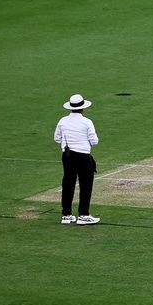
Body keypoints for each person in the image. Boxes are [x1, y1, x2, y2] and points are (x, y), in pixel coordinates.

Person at [53, 94, 100, 225]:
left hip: (67, 157)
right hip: (83, 156)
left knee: (68, 183)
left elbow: (57, 138)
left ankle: (66, 214)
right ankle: (83, 214)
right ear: (82, 108)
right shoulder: (87, 122)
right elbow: (94, 141)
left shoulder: (63, 121)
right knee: (86, 185)